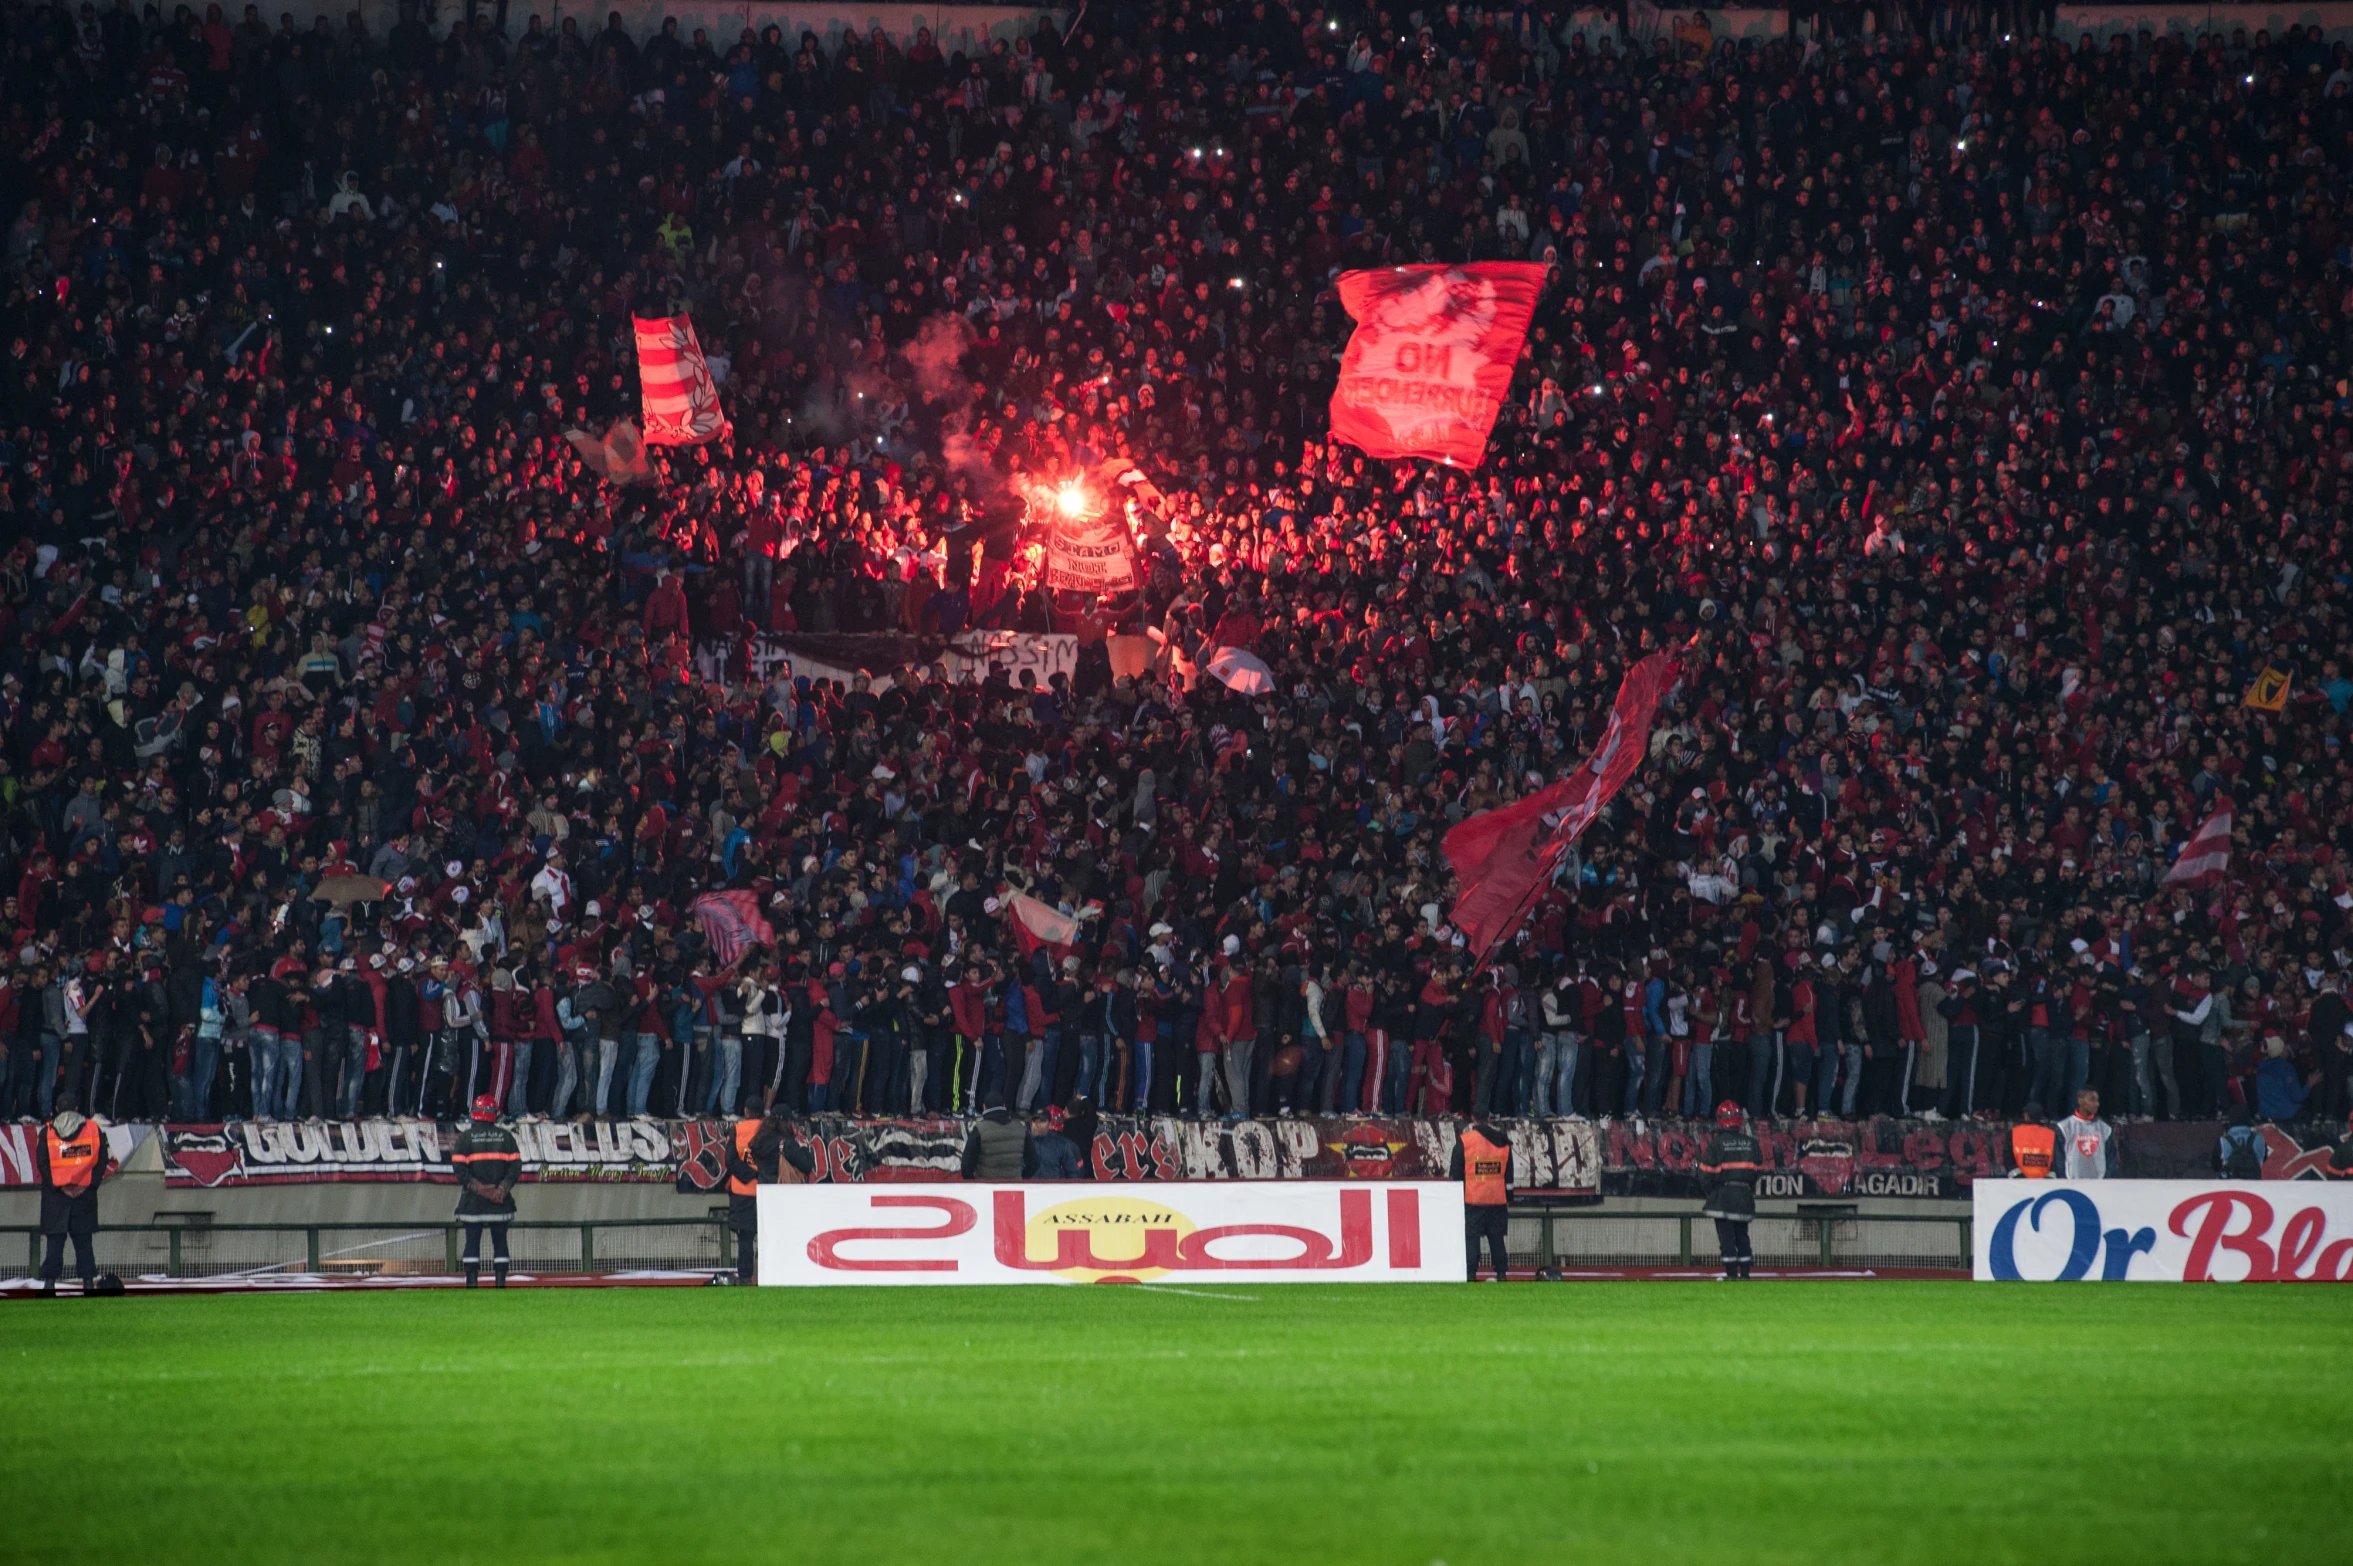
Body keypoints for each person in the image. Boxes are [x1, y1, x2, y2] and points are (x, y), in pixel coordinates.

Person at [35, 1102, 117, 1297]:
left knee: (54, 1244)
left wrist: (60, 1186)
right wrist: (87, 1186)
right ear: (77, 1108)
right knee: (84, 1244)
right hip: (84, 1196)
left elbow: (42, 1163)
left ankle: (49, 1284)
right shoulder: (93, 1128)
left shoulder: (47, 1132)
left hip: (56, 1199)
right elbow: (102, 1160)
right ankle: (88, 1284)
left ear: (56, 1109)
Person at [724, 1110, 814, 1284]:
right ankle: (773, 1272)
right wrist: (804, 1149)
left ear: (746, 1111)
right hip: (777, 1196)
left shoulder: (751, 1139)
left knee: (747, 1237)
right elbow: (806, 1165)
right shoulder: (784, 1144)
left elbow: (730, 1160)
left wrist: (749, 1175)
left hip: (748, 1193)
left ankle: (746, 1277)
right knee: (774, 1236)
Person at [452, 1095, 522, 1288]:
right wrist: (502, 1189)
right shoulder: (506, 1137)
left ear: (474, 1114)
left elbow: (458, 1168)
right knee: (500, 1242)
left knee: (471, 1243)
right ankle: (500, 1284)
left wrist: (478, 1188)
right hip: (501, 1202)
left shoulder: (465, 1138)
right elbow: (516, 1167)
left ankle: (471, 1284)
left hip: (473, 1203)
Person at [1697, 1100, 1760, 1281]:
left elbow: (1705, 1175)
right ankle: (1746, 1274)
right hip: (1744, 1197)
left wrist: (1713, 1193)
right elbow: (1758, 1171)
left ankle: (1731, 1274)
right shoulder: (1752, 1144)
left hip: (1723, 1198)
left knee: (1727, 1237)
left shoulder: (1716, 1145)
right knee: (1742, 1235)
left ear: (1720, 1120)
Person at [1448, 1117, 1512, 1282]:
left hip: (1472, 1198)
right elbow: (1509, 1175)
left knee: (1471, 1237)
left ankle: (1470, 1274)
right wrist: (1509, 1196)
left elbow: (1455, 1173)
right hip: (1497, 1198)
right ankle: (1501, 1274)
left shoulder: (1465, 1141)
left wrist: (1458, 1197)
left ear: (1473, 1119)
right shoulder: (1502, 1141)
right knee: (1497, 1238)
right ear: (1489, 1119)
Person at [960, 1091, 1036, 1179]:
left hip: (986, 1188)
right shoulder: (1021, 1129)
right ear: (1004, 1106)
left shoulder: (979, 1130)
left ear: (984, 1107)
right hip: (1013, 1189)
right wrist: (1021, 1179)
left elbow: (966, 1167)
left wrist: (976, 1185)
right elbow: (1034, 1163)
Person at [2054, 1090, 2113, 1180]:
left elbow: (2110, 1159)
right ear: (2080, 1101)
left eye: (2097, 1100)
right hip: (2072, 1183)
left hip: (2099, 1184)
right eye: (2092, 1100)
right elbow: (2059, 1159)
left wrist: (2106, 1181)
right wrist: (2064, 1181)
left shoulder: (2105, 1129)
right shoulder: (2065, 1127)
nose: (2097, 1104)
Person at [2009, 1104, 2056, 1178]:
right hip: (2046, 1184)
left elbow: (2008, 1157)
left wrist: (2018, 1176)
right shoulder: (2051, 1134)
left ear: (2026, 1116)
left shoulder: (2014, 1132)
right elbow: (2057, 1160)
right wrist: (2049, 1178)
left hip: (2019, 1183)